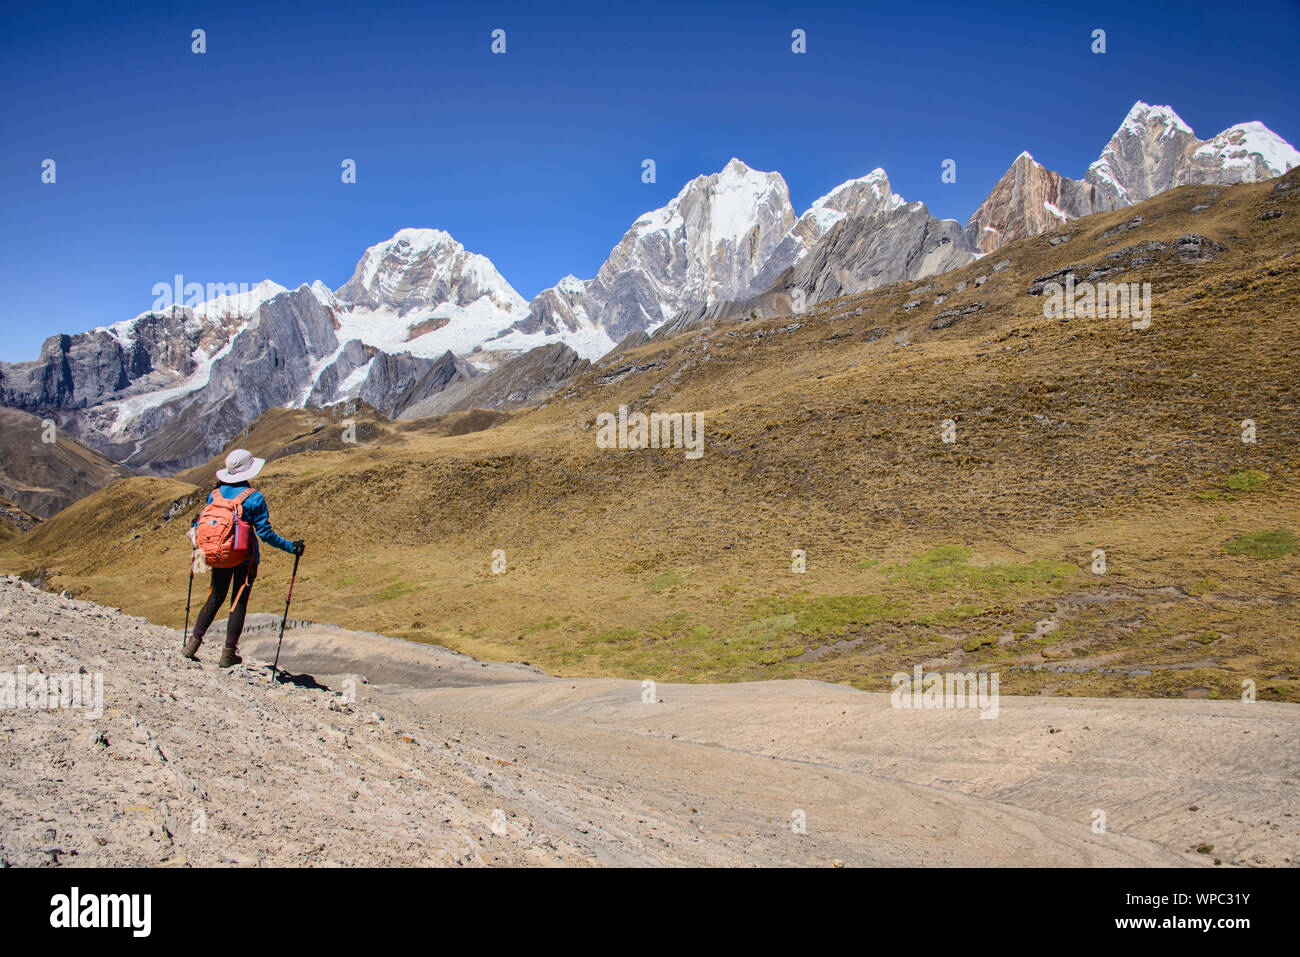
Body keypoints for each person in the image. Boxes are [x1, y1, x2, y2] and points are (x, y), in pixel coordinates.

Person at [182, 449, 304, 667]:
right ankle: (228, 654)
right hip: (244, 558)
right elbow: (265, 534)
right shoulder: (254, 497)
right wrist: (291, 547)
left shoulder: (216, 494)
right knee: (238, 602)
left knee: (215, 597)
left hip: (218, 553)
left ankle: (192, 644)